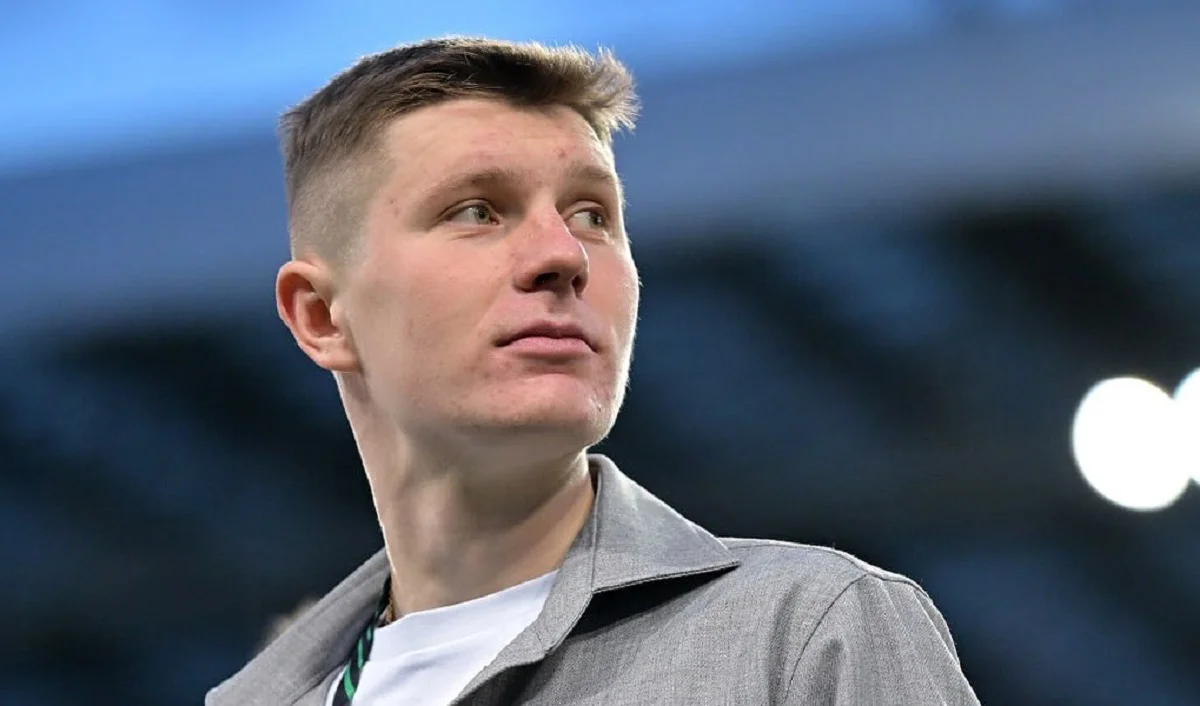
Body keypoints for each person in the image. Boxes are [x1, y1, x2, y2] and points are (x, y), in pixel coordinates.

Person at [206, 36, 980, 706]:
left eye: (592, 215)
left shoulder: (807, 635)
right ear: (321, 316)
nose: (563, 255)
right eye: (476, 210)